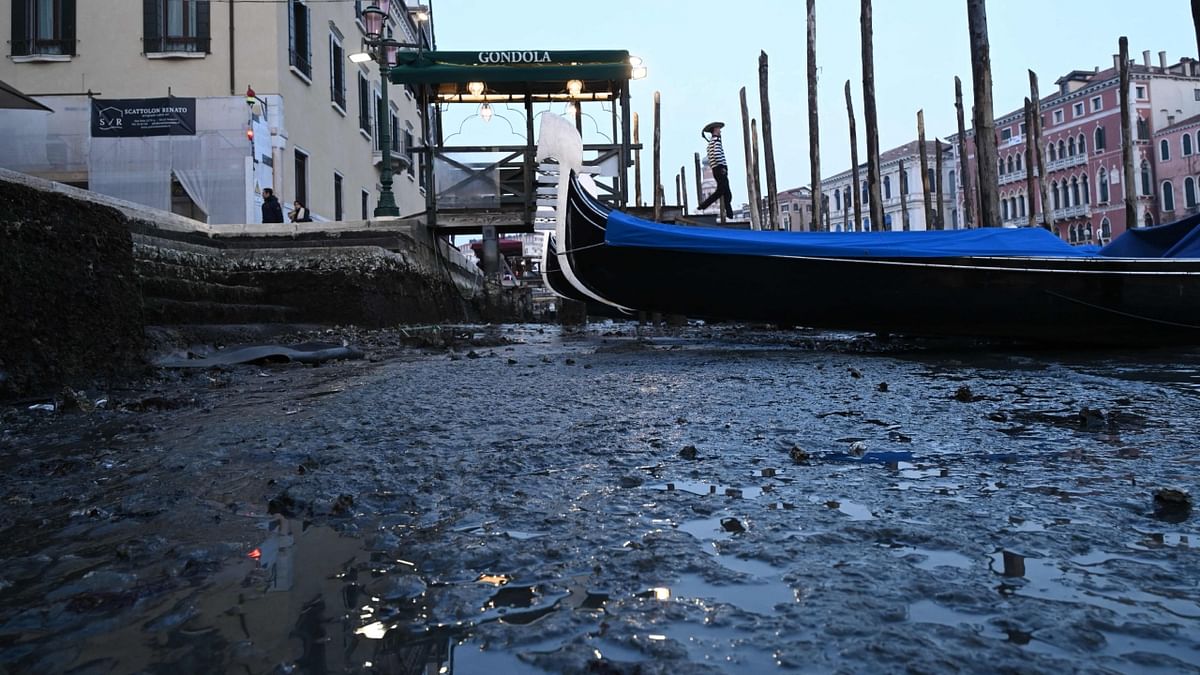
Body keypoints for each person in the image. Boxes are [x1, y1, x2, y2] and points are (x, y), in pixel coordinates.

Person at [697, 121, 733, 219]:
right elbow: (717, 155)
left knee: (726, 193)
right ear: (715, 130)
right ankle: (703, 205)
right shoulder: (715, 142)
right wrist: (722, 167)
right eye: (719, 129)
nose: (720, 131)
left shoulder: (712, 143)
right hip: (720, 169)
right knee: (721, 191)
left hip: (717, 169)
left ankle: (729, 213)